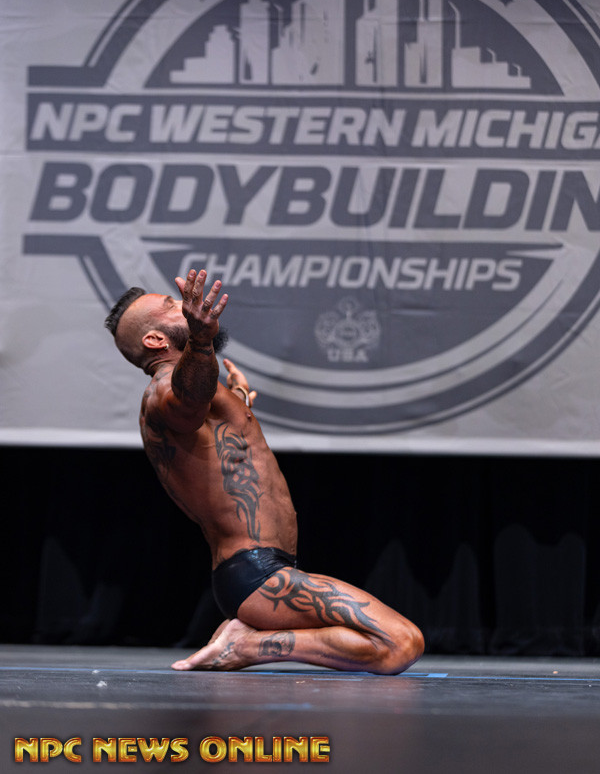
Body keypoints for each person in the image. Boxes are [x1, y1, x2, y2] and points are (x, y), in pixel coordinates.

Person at [104, 268, 424, 674]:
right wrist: (201, 341)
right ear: (155, 340)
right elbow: (187, 400)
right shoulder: (162, 392)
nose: (184, 306)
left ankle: (247, 639)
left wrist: (237, 400)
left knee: (393, 644)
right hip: (256, 574)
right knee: (400, 643)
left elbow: (208, 426)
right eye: (171, 306)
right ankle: (248, 644)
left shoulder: (193, 391)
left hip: (263, 571)